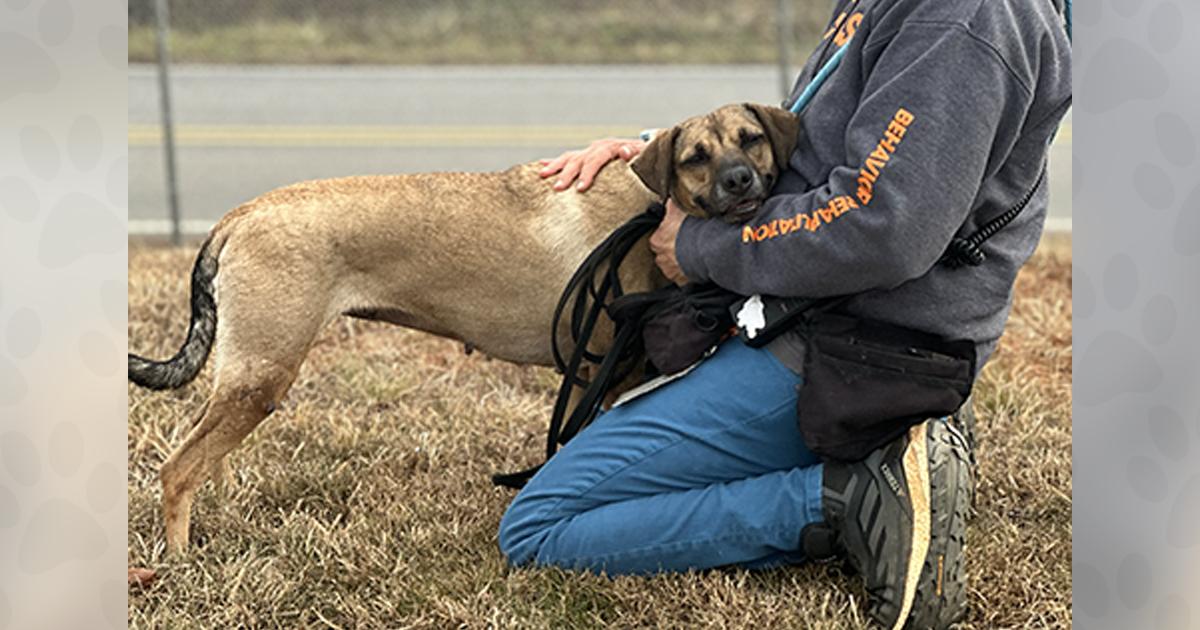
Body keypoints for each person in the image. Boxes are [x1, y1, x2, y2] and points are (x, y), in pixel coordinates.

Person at [498, 0, 1071, 627]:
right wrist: (653, 152)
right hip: (812, 316)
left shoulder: (963, 18)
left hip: (850, 345)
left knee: (538, 525)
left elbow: (883, 226)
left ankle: (846, 496)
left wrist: (700, 247)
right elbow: (816, 143)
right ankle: (893, 445)